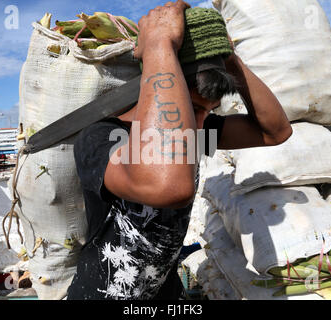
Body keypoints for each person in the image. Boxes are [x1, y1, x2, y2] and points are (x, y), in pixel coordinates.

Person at [67, 1, 292, 300]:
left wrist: (227, 56)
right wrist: (159, 45)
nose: (200, 123)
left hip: (165, 294)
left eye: (207, 111)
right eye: (195, 108)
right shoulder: (101, 137)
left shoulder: (195, 131)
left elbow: (274, 131)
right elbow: (170, 186)